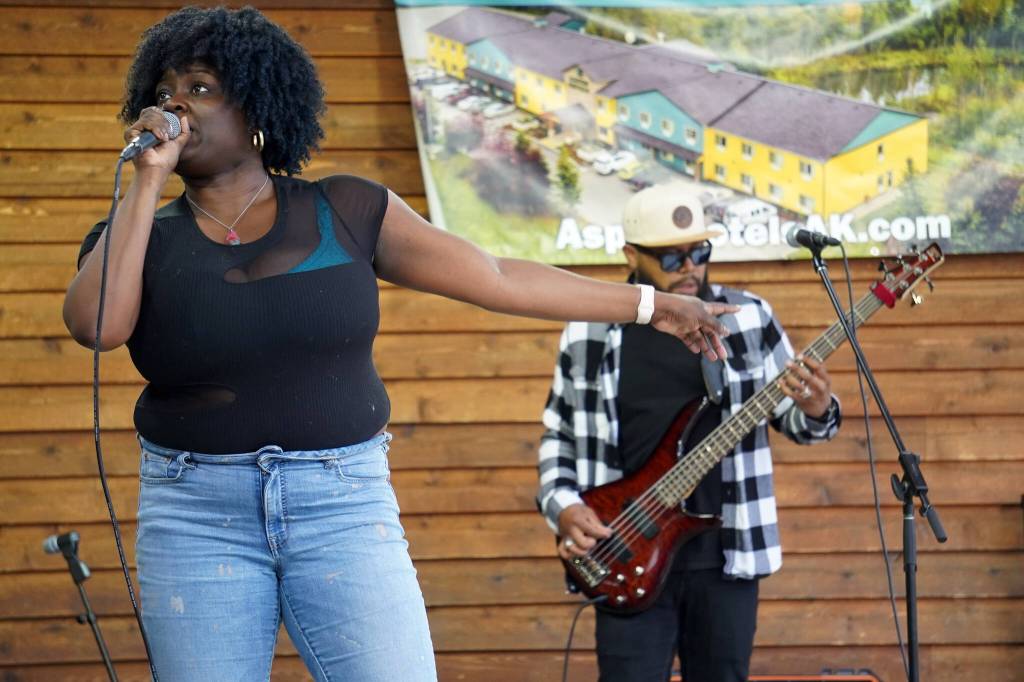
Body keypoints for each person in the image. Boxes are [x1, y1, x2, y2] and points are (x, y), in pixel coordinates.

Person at [61, 7, 737, 681]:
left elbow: (498, 278)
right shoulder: (137, 233)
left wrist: (650, 304)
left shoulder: (345, 210)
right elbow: (98, 327)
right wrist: (148, 180)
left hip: (341, 504)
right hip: (195, 512)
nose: (175, 103)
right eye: (165, 92)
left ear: (257, 105)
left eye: (201, 88)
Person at [537, 184, 842, 682]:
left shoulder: (748, 320)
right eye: (672, 255)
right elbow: (558, 436)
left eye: (700, 251)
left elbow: (801, 423)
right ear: (631, 256)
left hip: (727, 557)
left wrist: (815, 405)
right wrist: (564, 507)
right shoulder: (587, 332)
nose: (690, 267)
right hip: (623, 552)